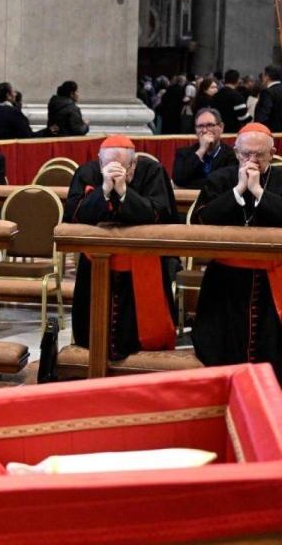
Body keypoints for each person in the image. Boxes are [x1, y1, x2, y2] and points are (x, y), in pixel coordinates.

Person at [65, 135, 177, 360]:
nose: (115, 172)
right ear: (99, 162)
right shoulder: (86, 173)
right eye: (108, 167)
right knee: (93, 326)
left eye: (123, 167)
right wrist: (104, 190)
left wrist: (125, 192)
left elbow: (160, 214)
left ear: (134, 164)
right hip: (96, 263)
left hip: (144, 261)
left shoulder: (152, 172)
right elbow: (74, 216)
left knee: (139, 331)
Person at [191, 123, 282, 381]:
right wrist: (238, 191)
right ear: (235, 152)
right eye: (245, 155)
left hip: (272, 279)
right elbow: (202, 220)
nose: (251, 161)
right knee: (221, 348)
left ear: (272, 153)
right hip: (226, 280)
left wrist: (259, 192)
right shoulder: (220, 179)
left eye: (259, 155)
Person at [171, 108, 237, 191]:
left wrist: (192, 183)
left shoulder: (230, 154)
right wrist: (202, 150)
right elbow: (178, 180)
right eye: (200, 126)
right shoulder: (183, 153)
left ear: (221, 127)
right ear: (195, 130)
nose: (205, 130)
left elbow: (227, 183)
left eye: (209, 125)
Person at [212, 69, 252, 133]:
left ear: (225, 80)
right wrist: (250, 116)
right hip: (232, 132)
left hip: (217, 130)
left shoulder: (215, 96)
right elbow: (243, 118)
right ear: (238, 80)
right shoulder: (237, 96)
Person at [254, 65, 282, 132]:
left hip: (272, 135)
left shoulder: (267, 92)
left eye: (263, 75)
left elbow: (262, 117)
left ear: (267, 76)